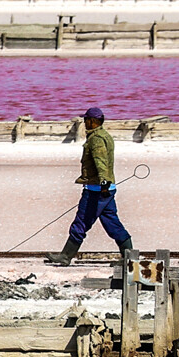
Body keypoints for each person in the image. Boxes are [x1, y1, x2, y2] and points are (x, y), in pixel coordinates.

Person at [47, 107, 133, 265]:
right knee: (112, 224)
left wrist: (103, 183)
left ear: (93, 121)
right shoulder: (105, 135)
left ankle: (66, 256)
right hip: (107, 189)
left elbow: (101, 162)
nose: (84, 122)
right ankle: (129, 258)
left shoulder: (96, 139)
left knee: (81, 222)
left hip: (97, 190)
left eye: (86, 120)